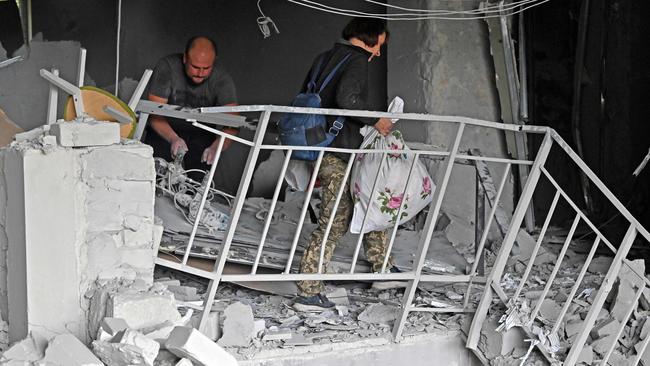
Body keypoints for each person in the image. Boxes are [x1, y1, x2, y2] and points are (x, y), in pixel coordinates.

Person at [293, 18, 399, 312]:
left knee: (370, 201)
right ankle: (308, 290)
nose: (378, 52)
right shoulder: (356, 61)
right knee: (336, 219)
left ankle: (383, 269)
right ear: (372, 38)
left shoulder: (324, 58)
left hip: (319, 145)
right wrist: (376, 120)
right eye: (380, 44)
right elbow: (347, 101)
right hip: (337, 151)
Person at [145, 35, 239, 179]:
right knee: (154, 177)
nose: (200, 73)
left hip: (202, 134)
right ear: (185, 59)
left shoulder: (222, 79)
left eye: (206, 68)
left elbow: (234, 123)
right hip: (165, 129)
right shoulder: (167, 67)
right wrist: (173, 138)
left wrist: (217, 147)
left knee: (198, 185)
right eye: (195, 67)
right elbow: (153, 113)